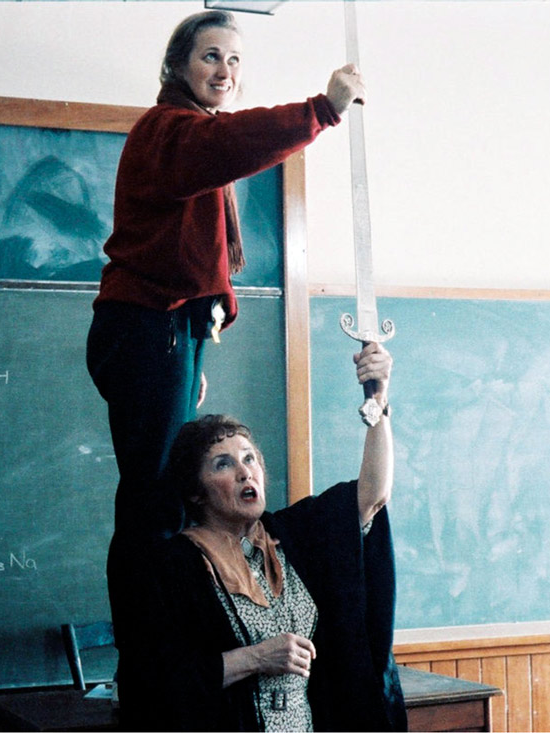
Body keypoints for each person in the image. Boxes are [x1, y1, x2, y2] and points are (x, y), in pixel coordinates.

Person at [86, 10, 366, 538]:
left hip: (167, 329)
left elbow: (187, 255)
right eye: (211, 56)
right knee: (157, 497)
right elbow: (231, 144)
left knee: (164, 493)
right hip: (148, 327)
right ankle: (153, 620)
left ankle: (162, 614)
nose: (225, 71)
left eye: (234, 60)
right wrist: (323, 109)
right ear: (177, 66)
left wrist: (191, 345)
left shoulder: (187, 133)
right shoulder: (170, 131)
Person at [107, 343, 406, 731]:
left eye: (249, 459)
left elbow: (373, 495)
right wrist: (256, 658)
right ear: (196, 491)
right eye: (223, 464)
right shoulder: (170, 567)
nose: (245, 472)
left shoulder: (291, 535)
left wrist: (378, 400)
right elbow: (155, 684)